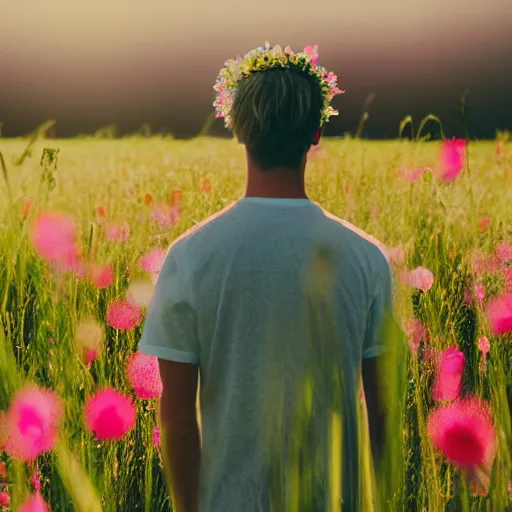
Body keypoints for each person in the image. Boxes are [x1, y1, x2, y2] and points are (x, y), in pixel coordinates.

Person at [138, 42, 393, 512]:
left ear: (238, 129)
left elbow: (175, 419)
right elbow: (382, 414)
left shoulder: (190, 256)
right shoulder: (367, 259)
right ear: (316, 132)